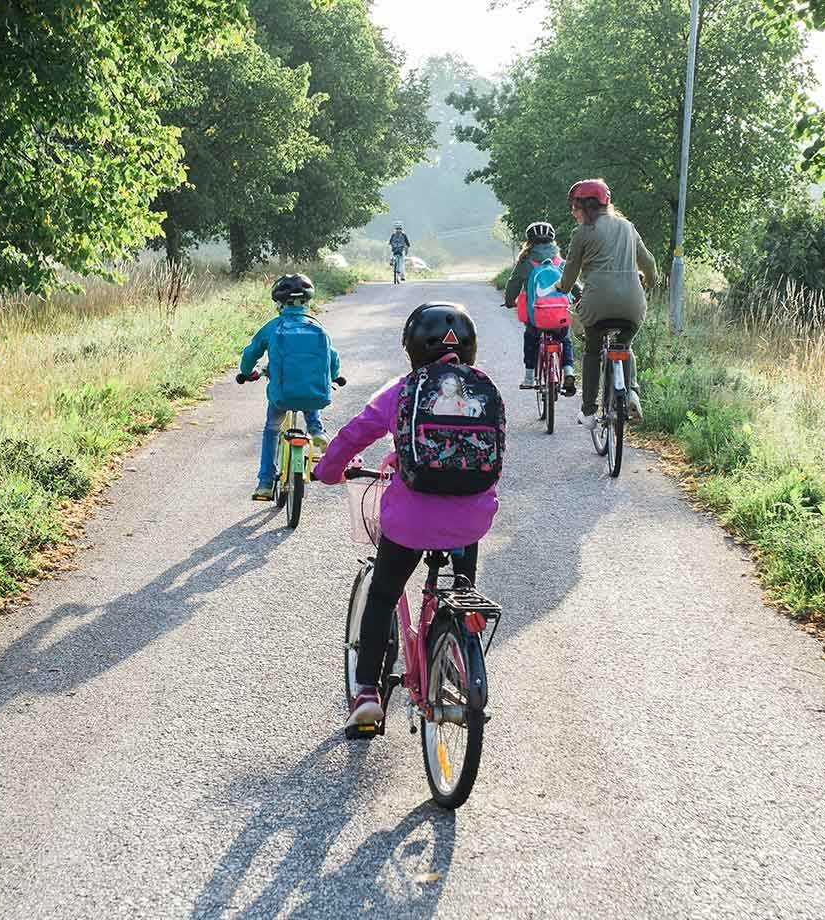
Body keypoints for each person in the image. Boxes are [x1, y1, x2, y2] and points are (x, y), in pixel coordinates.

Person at [313, 303, 500, 729]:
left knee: (382, 593)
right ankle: (455, 650)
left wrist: (328, 472)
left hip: (410, 522)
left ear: (412, 348)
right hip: (472, 518)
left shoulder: (402, 390)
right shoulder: (484, 389)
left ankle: (366, 695)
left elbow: (354, 432)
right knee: (461, 588)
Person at [555, 178, 657, 424]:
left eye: (575, 206)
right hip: (632, 305)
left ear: (586, 207)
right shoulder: (628, 227)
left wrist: (561, 286)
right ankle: (631, 392)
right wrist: (649, 282)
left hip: (597, 305)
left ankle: (589, 410)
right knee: (624, 345)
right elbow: (650, 265)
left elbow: (569, 275)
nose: (573, 212)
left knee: (592, 351)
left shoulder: (581, 233)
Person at [238, 273, 341, 501]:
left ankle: (265, 482)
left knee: (271, 430)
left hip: (281, 396)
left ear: (279, 303)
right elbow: (332, 358)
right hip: (313, 395)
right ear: (308, 301)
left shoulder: (273, 327)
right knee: (309, 395)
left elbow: (250, 352)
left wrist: (246, 373)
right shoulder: (318, 327)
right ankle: (316, 430)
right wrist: (336, 376)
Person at [503, 220, 577, 395]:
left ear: (529, 242)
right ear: (552, 241)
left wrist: (509, 301)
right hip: (560, 315)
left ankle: (529, 376)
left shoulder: (525, 262)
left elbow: (514, 284)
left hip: (536, 317)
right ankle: (568, 371)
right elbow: (575, 284)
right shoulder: (560, 262)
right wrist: (579, 298)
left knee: (531, 338)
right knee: (565, 339)